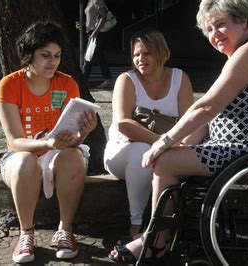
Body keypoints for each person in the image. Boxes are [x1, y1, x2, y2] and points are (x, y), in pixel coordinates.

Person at [108, 0, 248, 263]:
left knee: (166, 161)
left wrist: (165, 141)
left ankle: (156, 240)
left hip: (246, 149)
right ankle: (160, 234)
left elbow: (206, 107)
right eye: (210, 29)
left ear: (243, 21)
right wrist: (180, 143)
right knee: (171, 155)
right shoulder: (246, 51)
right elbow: (209, 114)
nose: (215, 34)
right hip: (233, 144)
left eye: (221, 25)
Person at [0, 21, 97, 263]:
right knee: (24, 161)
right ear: (29, 55)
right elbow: (15, 141)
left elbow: (71, 139)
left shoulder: (66, 83)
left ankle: (65, 230)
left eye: (57, 55)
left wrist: (84, 133)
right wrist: (48, 144)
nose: (53, 62)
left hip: (58, 152)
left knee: (74, 156)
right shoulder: (10, 84)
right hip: (21, 155)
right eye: (45, 55)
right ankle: (26, 233)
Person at [103, 28, 196, 241]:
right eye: (136, 54)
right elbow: (123, 124)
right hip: (123, 151)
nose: (140, 59)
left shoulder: (180, 78)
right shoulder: (126, 80)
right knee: (142, 151)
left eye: (146, 53)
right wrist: (163, 142)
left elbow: (189, 120)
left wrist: (169, 145)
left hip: (166, 149)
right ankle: (136, 226)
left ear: (160, 52)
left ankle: (172, 227)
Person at [80, 0, 114, 88]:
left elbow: (103, 16)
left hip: (97, 34)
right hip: (92, 32)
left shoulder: (97, 0)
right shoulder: (89, 2)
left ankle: (82, 83)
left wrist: (96, 32)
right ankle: (109, 79)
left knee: (88, 57)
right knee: (99, 57)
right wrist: (83, 24)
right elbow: (93, 19)